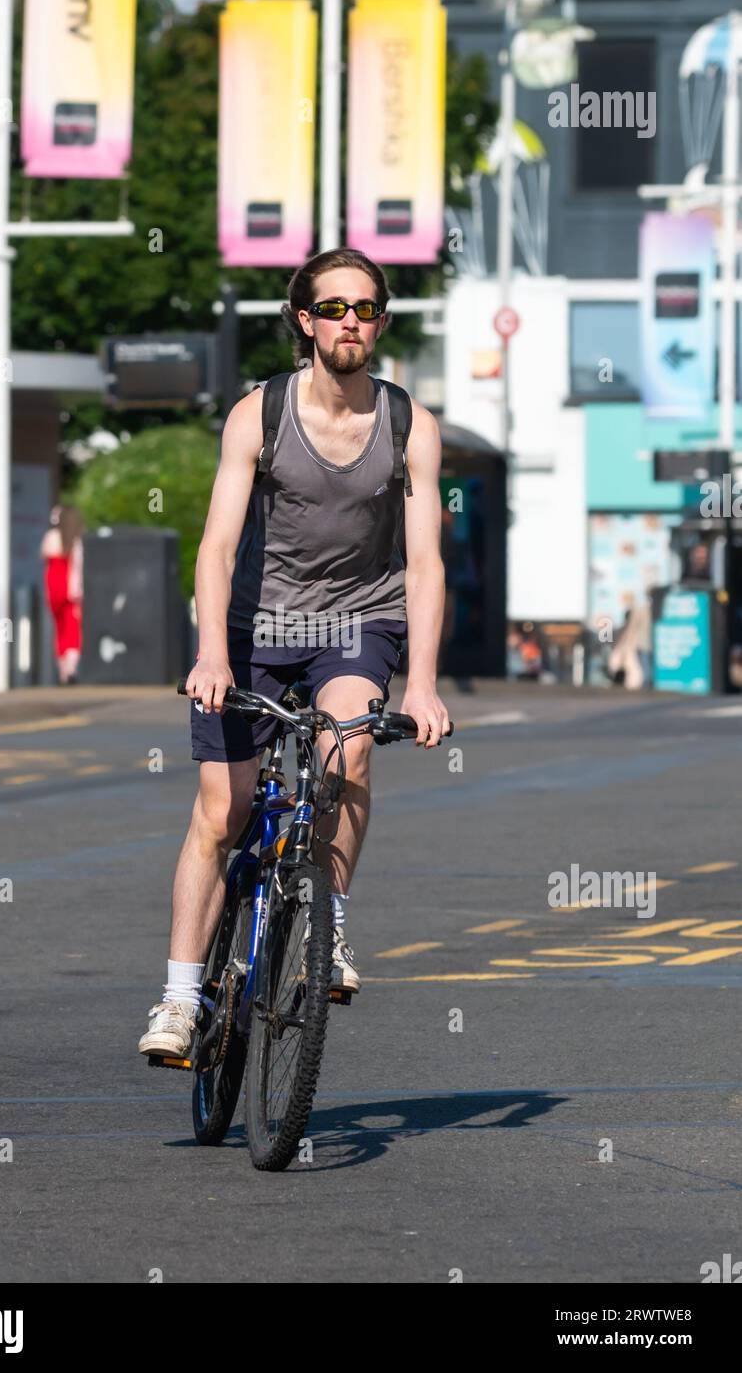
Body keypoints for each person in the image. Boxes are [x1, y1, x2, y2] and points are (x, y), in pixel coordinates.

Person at [138, 247, 452, 1059]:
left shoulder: (409, 425)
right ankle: (178, 999)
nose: (352, 321)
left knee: (347, 754)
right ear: (305, 322)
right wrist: (211, 655)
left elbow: (424, 565)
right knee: (224, 811)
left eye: (367, 308)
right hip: (253, 629)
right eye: (335, 308)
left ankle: (329, 929)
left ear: (381, 322)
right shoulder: (260, 414)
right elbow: (215, 547)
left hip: (354, 623)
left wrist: (420, 684)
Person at [40, 504, 84, 685]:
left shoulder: (51, 537)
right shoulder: (75, 540)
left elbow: (44, 556)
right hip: (69, 587)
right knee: (73, 628)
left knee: (60, 630)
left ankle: (63, 672)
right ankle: (71, 669)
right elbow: (78, 567)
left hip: (53, 587)